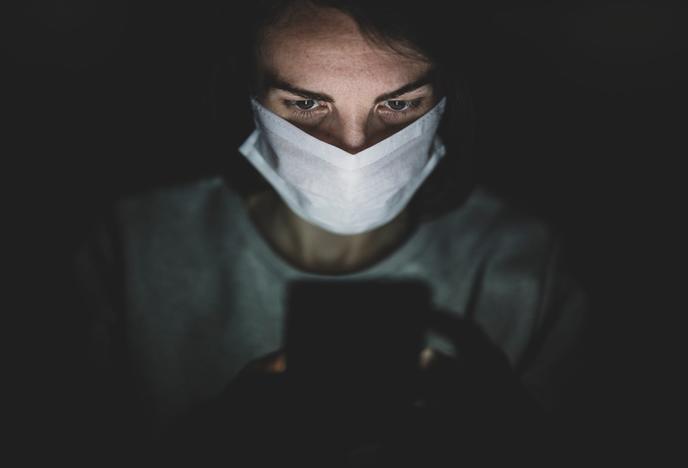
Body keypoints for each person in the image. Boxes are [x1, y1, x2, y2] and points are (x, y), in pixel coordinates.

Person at [70, 0, 588, 465]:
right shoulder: (137, 243)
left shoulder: (522, 263)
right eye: (305, 105)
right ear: (247, 97)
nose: (354, 150)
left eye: (401, 105)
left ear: (448, 102)